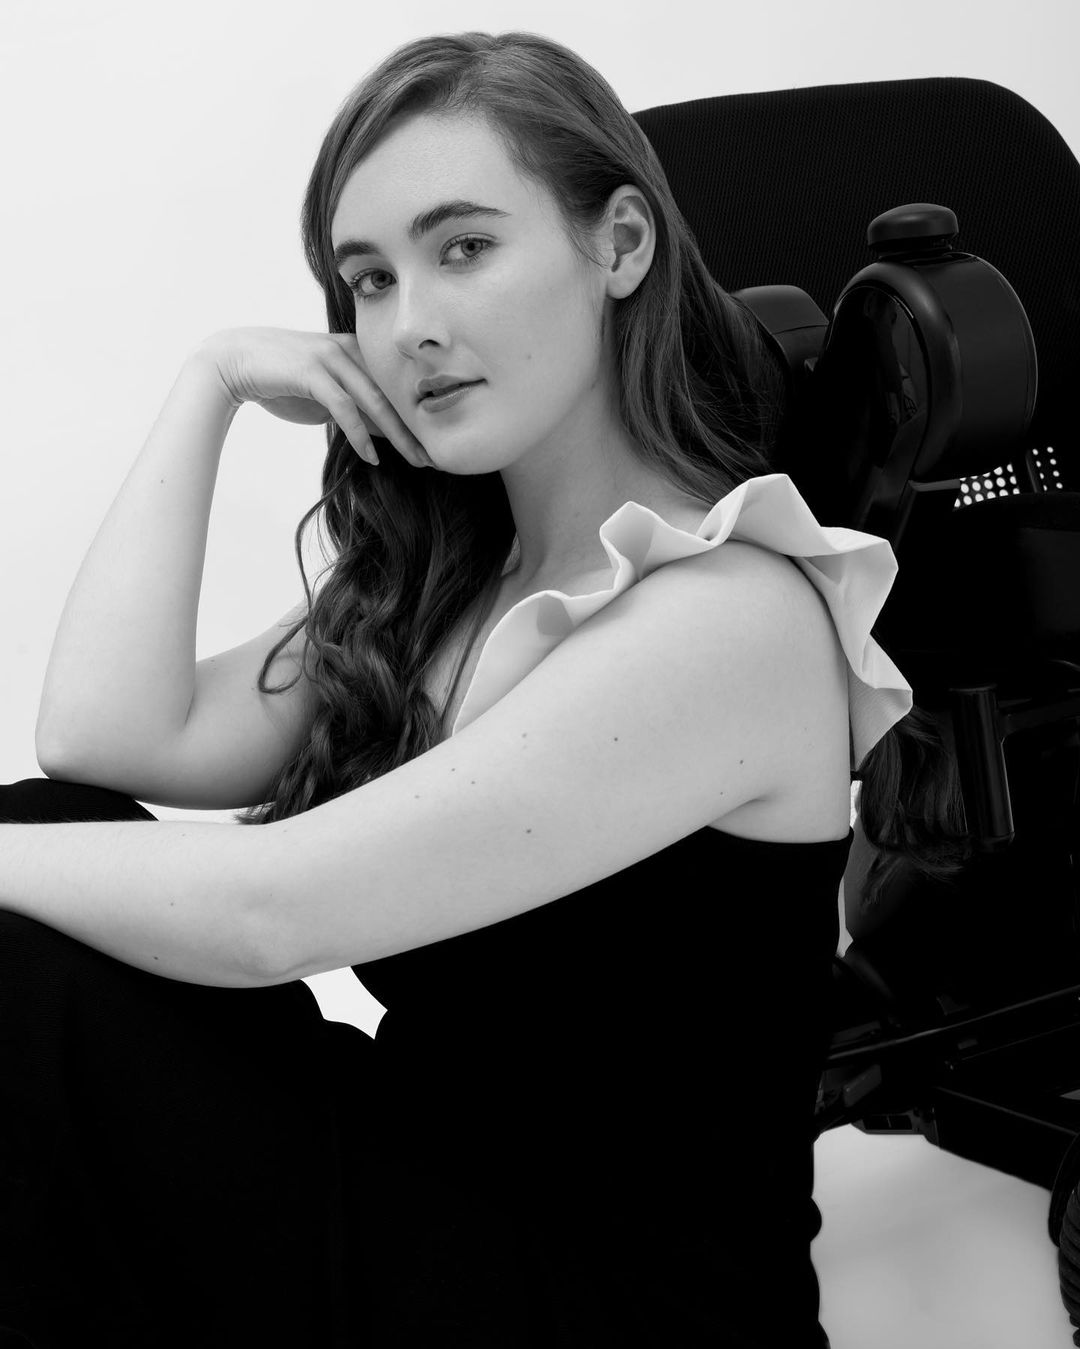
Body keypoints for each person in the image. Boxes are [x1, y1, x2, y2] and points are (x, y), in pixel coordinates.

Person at [1, 29, 922, 1349]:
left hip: (610, 1304)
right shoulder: (451, 583)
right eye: (369, 280)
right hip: (428, 1191)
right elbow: (105, 737)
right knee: (47, 831)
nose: (408, 327)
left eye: (465, 248)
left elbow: (267, 914)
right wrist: (209, 383)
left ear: (621, 245)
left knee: (25, 969)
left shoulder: (731, 617)